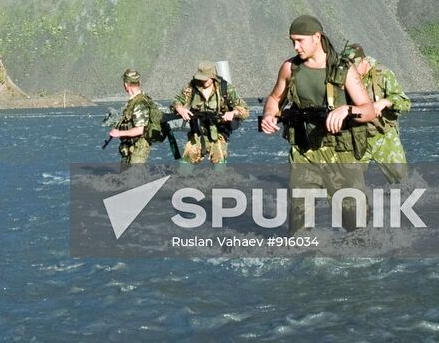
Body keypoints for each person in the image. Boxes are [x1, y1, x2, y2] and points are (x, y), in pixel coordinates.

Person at [260, 15, 377, 231]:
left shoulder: (343, 69)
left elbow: (369, 111)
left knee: (357, 226)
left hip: (340, 153)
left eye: (300, 41)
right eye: (292, 41)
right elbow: (275, 98)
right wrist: (269, 115)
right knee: (299, 223)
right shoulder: (290, 68)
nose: (295, 47)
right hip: (304, 152)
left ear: (317, 37)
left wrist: (346, 109)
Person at [348, 44, 411, 182]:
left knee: (402, 183)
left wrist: (386, 102)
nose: (352, 72)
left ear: (365, 61)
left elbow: (405, 102)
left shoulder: (383, 74)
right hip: (357, 137)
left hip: (383, 136)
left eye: (355, 67)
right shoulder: (345, 78)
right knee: (348, 185)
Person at [172, 61, 249, 164]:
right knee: (185, 165)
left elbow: (244, 109)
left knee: (219, 166)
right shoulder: (192, 86)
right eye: (200, 78)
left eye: (205, 79)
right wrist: (179, 108)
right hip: (197, 133)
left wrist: (233, 112)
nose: (202, 82)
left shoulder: (225, 88)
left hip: (218, 134)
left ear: (213, 76)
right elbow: (177, 101)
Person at [108, 68, 155, 169]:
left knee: (134, 178)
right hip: (130, 146)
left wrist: (118, 133)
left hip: (139, 146)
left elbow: (140, 130)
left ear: (126, 84)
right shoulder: (133, 101)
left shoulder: (140, 102)